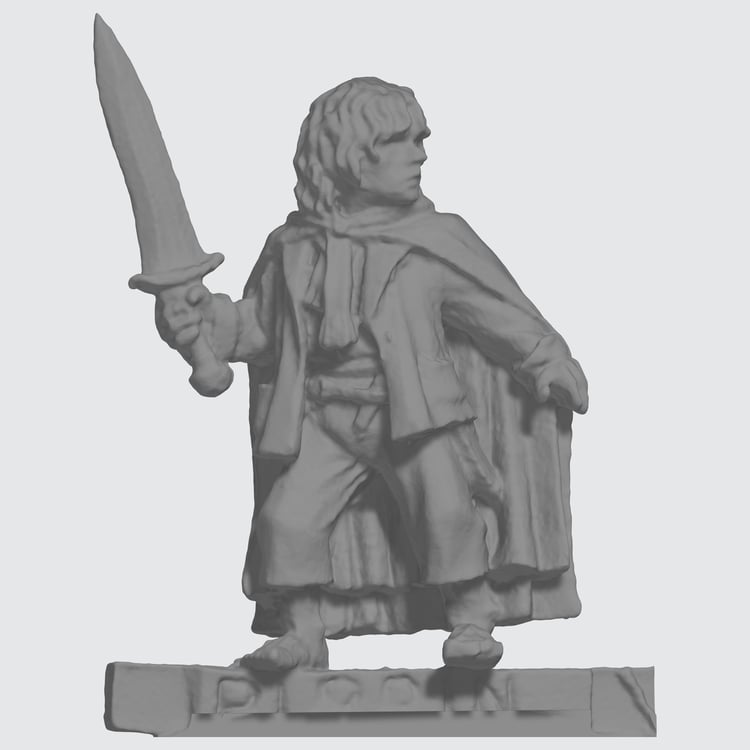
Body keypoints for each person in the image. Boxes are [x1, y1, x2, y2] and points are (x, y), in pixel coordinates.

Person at [155, 77, 589, 671]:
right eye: (399, 141)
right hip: (321, 416)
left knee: (445, 511)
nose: (420, 154)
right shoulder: (292, 247)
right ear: (350, 156)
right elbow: (261, 330)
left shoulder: (435, 241)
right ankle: (303, 631)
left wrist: (546, 360)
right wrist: (204, 324)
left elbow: (496, 310)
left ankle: (471, 616)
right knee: (287, 520)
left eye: (420, 139)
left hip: (412, 414)